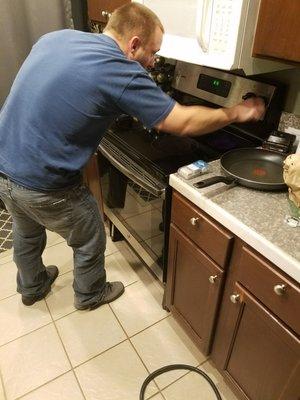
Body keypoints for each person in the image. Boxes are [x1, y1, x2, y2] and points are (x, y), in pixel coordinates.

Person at [0, 3, 265, 311]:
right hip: (45, 183)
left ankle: (31, 286)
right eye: (153, 52)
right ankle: (90, 294)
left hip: (5, 167)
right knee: (89, 233)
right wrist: (236, 111)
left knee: (26, 230)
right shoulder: (118, 68)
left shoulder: (56, 38)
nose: (154, 62)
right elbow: (182, 122)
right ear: (134, 44)